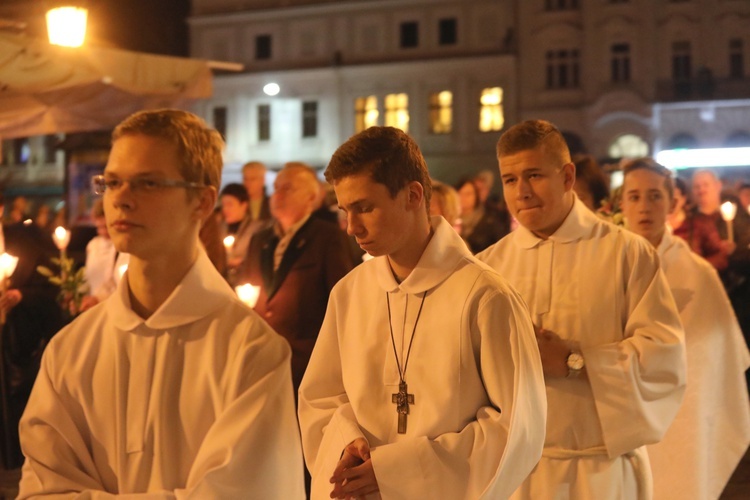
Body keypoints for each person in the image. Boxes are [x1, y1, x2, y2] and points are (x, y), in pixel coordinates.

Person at [17, 109, 305, 498]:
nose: (120, 199)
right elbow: (41, 490)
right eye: (113, 182)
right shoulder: (69, 350)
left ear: (202, 202)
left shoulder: (252, 352)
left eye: (147, 183)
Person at [298, 126, 546, 500]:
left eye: (365, 207)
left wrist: (398, 474)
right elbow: (320, 399)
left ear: (413, 195)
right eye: (345, 210)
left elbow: (515, 429)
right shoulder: (349, 293)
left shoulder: (485, 295)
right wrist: (347, 445)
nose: (352, 228)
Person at [477, 119, 686, 499]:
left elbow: (664, 359)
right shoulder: (488, 268)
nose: (521, 192)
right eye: (509, 180)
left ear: (568, 176)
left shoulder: (627, 253)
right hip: (515, 476)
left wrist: (576, 361)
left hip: (599, 472)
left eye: (534, 175)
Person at [620, 158, 750, 500]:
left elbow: (716, 356)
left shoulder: (696, 272)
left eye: (654, 196)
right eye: (634, 197)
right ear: (620, 204)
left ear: (672, 203)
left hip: (683, 413)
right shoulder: (605, 266)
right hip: (620, 409)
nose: (644, 207)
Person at [240, 163, 353, 392]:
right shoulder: (259, 240)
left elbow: (342, 301)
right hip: (262, 360)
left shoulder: (327, 237)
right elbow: (245, 286)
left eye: (287, 189)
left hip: (305, 362)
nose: (277, 195)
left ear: (311, 197)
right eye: (275, 188)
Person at [0, 194, 63, 470]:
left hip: (17, 343)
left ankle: (14, 458)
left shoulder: (25, 242)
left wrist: (18, 295)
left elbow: (48, 290)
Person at [80, 199, 129, 312]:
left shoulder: (124, 248)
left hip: (112, 307)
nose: (102, 232)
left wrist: (99, 299)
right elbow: (87, 278)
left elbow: (119, 284)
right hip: (93, 308)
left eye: (106, 227)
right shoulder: (93, 245)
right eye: (99, 227)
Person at [455, 177, 506, 253]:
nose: (463, 198)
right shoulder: (451, 219)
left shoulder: (490, 219)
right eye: (460, 193)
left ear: (476, 196)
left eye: (468, 194)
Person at [219, 182, 255, 284]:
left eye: (230, 205)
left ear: (244, 205)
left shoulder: (256, 229)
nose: (225, 209)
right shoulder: (218, 229)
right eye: (224, 205)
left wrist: (242, 261)